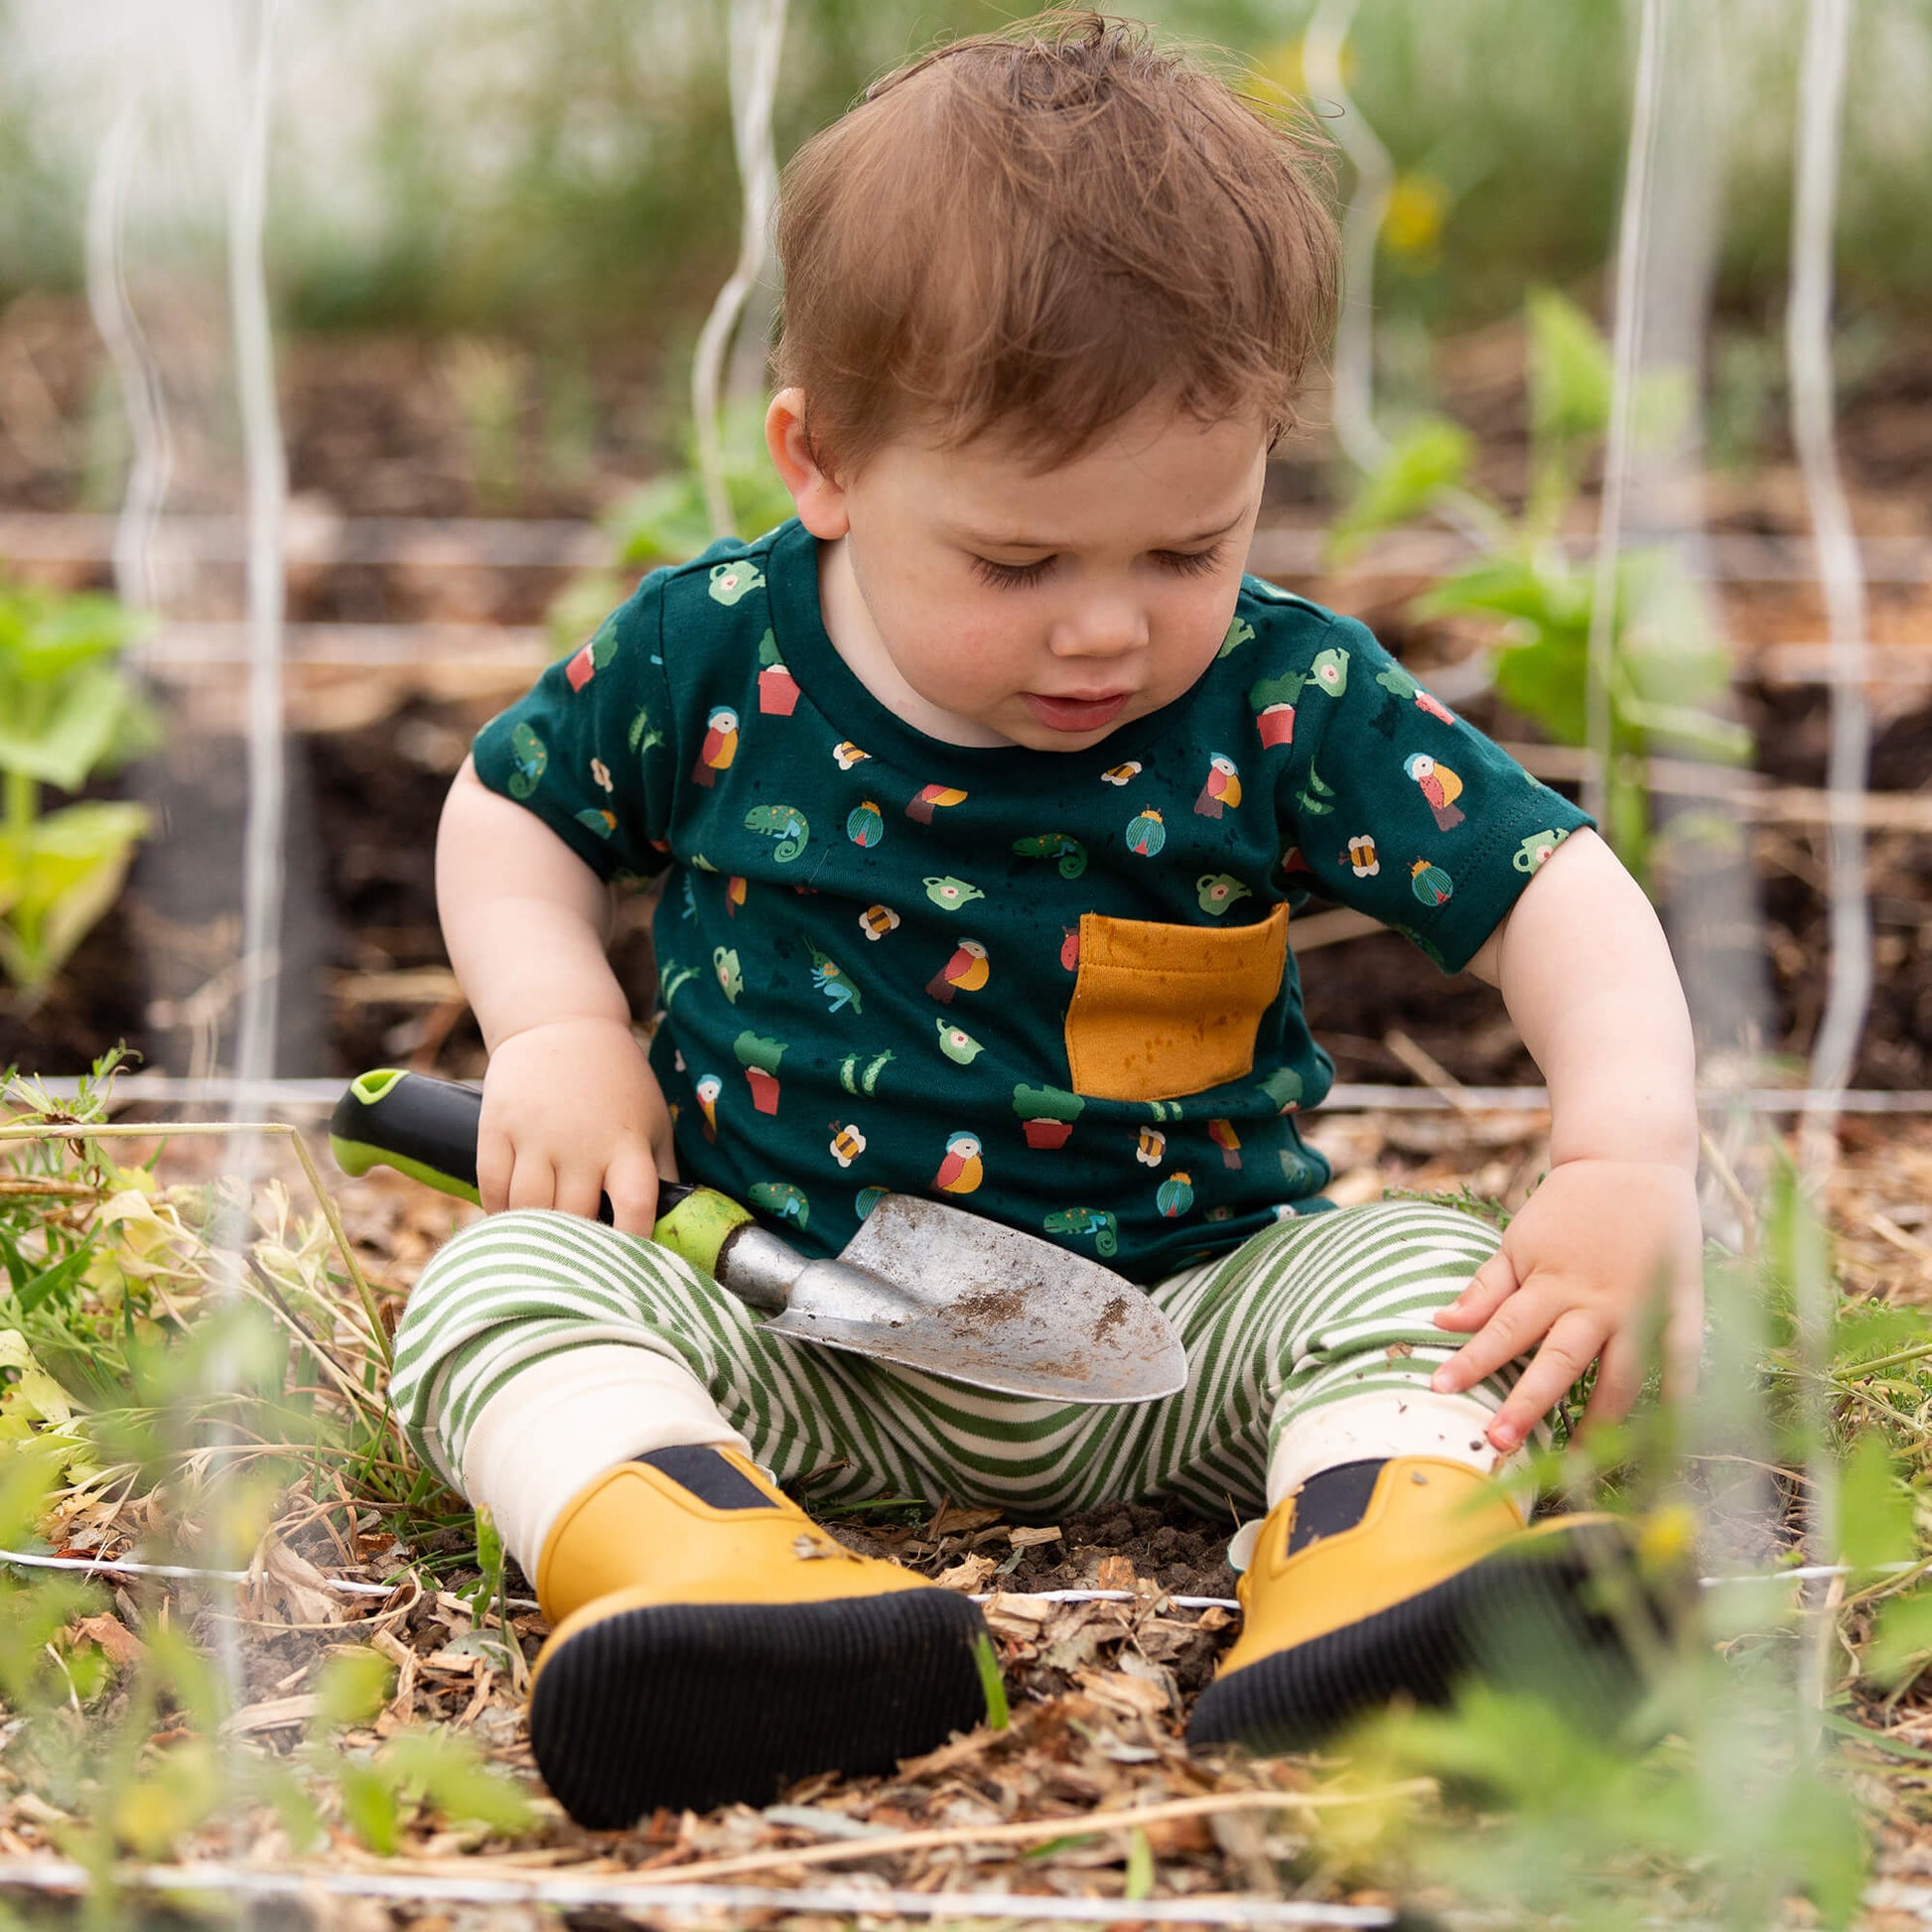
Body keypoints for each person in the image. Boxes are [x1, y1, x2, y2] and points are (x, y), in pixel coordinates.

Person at [387, 11, 1704, 1831]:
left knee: (1418, 1269)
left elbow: (1551, 883)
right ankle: (700, 1569)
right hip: (793, 1319)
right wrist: (558, 1030)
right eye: (1020, 564)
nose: (1108, 629)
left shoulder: (1278, 698)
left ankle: (1378, 1568)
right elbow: (514, 808)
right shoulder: (712, 653)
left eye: (1186, 549)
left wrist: (1624, 1147)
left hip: (1186, 1327)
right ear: (822, 459)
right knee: (498, 1285)